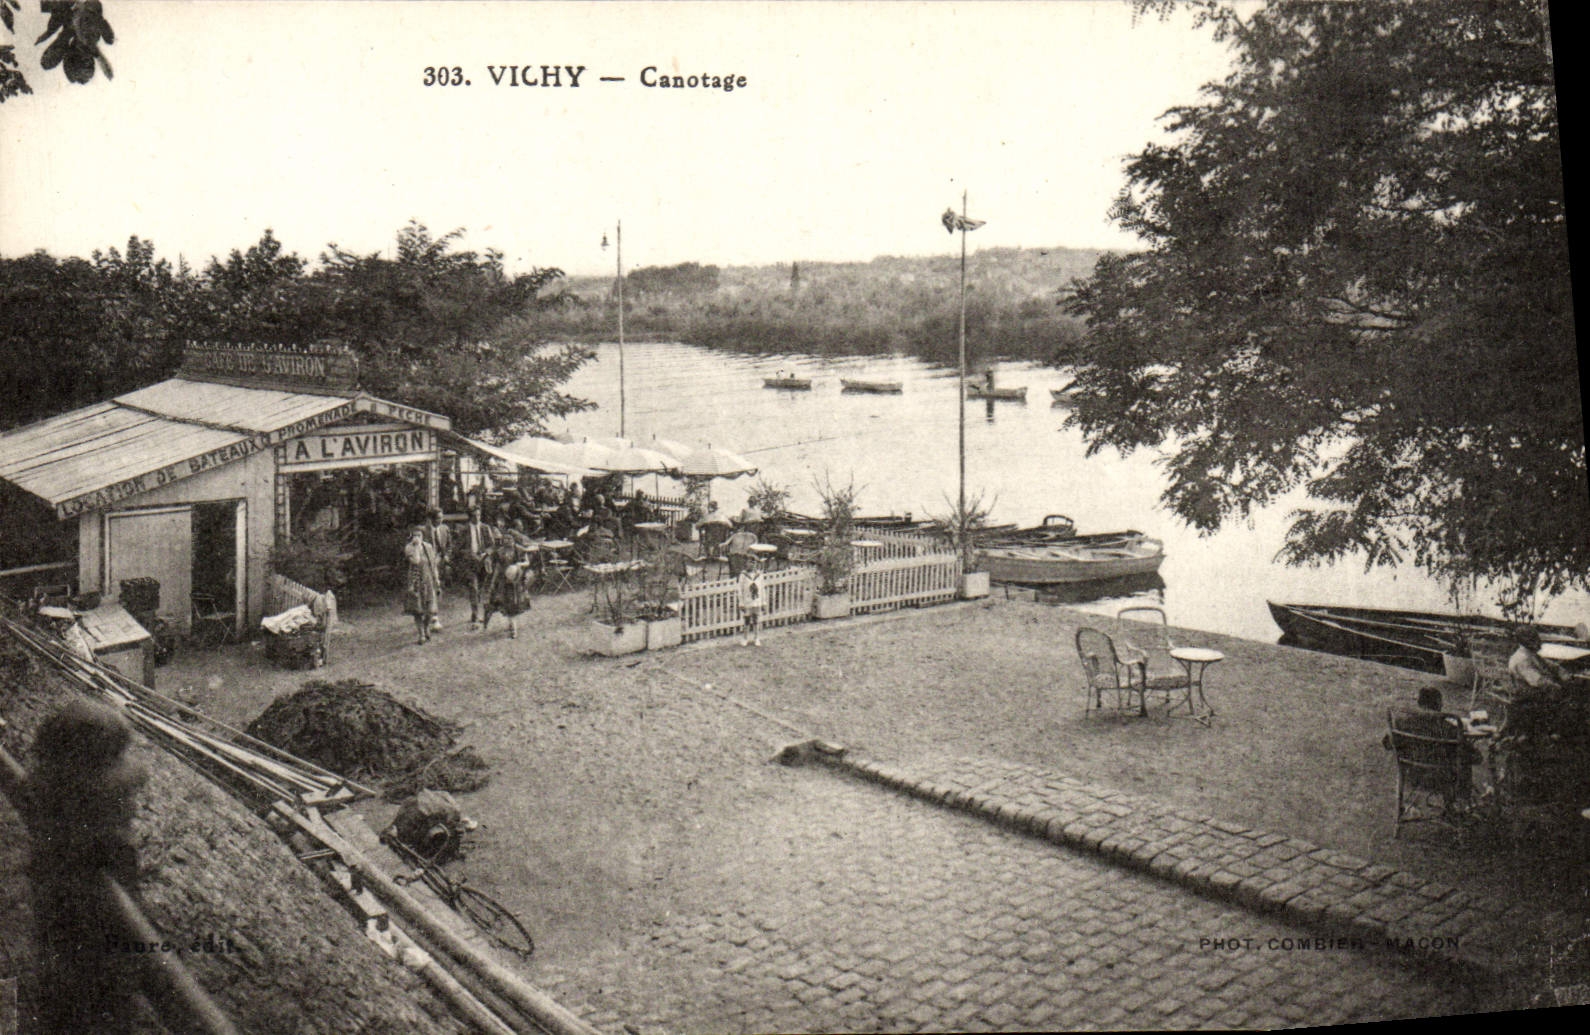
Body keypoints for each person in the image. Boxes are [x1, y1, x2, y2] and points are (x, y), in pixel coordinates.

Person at [1383, 684, 1478, 803]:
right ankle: (1459, 803)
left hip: (1412, 776)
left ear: (1419, 703)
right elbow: (1476, 757)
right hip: (1442, 780)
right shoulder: (1448, 728)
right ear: (1438, 705)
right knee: (1463, 762)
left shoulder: (1402, 722)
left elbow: (1387, 744)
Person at [481, 540, 532, 639]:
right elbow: (494, 564)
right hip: (503, 582)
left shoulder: (519, 550)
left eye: (510, 541)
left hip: (515, 582)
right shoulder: (500, 552)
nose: (508, 543)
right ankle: (486, 624)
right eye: (506, 541)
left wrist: (519, 565)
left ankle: (513, 629)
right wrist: (489, 565)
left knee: (513, 605)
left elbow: (527, 562)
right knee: (498, 603)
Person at [403, 525, 443, 644]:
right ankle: (421, 634)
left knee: (430, 609)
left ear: (423, 536)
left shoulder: (428, 547)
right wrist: (416, 547)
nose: (417, 538)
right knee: (418, 609)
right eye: (414, 535)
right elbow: (416, 561)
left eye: (419, 535)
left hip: (428, 579)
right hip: (415, 581)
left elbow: (433, 564)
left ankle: (426, 628)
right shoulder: (409, 548)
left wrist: (436, 578)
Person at [462, 505, 498, 628]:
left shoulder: (485, 528)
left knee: (481, 589)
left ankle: (478, 610)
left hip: (484, 562)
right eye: (474, 516)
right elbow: (459, 548)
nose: (477, 518)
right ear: (470, 517)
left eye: (478, 515)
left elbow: (492, 545)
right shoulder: (464, 530)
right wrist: (470, 554)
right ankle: (475, 613)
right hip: (470, 563)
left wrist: (486, 553)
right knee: (473, 587)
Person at [423, 508, 453, 630]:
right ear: (431, 519)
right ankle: (434, 616)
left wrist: (446, 556)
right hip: (427, 564)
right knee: (432, 588)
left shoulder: (445, 529)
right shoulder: (424, 531)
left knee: (438, 589)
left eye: (441, 517)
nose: (441, 520)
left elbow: (449, 546)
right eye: (438, 518)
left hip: (440, 562)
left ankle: (431, 613)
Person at [736, 553, 767, 646]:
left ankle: (756, 638)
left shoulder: (759, 575)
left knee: (756, 619)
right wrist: (741, 603)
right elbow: (740, 590)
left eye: (754, 563)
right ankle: (745, 638)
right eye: (750, 562)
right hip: (747, 601)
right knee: (747, 619)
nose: (752, 565)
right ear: (746, 563)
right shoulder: (743, 575)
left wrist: (763, 602)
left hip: (757, 600)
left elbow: (762, 589)